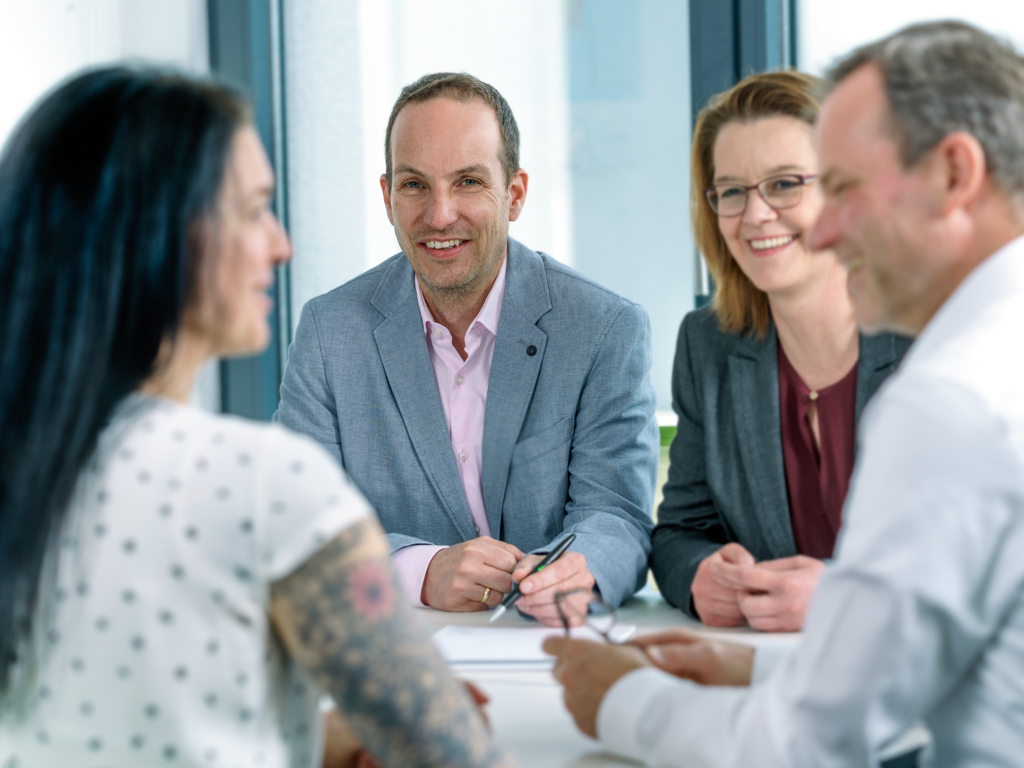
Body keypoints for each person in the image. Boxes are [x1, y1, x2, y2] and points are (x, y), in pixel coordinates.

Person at [545, 20, 1024, 767]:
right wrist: (761, 665)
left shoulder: (950, 396)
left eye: (841, 188)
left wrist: (619, 699)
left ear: (955, 174)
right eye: (733, 192)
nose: (826, 225)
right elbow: (954, 663)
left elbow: (810, 743)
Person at [0, 66, 508, 768]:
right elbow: (454, 757)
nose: (280, 244)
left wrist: (306, 741)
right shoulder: (266, 484)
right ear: (159, 236)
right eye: (252, 210)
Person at [276, 72, 658, 625]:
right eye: (414, 185)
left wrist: (582, 568)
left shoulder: (603, 327)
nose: (439, 215)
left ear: (515, 194)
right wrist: (420, 570)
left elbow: (616, 515)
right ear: (386, 198)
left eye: (469, 182)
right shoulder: (329, 330)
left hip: (549, 646)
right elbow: (295, 523)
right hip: (395, 652)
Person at [651, 71, 911, 632]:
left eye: (786, 183)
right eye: (733, 191)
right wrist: (701, 576)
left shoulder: (935, 332)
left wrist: (847, 598)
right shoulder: (708, 345)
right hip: (773, 681)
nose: (756, 215)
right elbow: (678, 534)